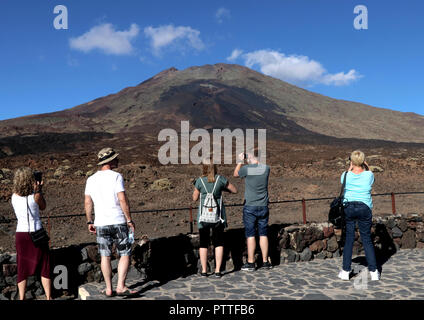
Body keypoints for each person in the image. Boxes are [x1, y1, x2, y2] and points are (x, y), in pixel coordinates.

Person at [85, 148, 137, 297]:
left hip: (100, 222)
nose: (118, 160)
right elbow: (122, 199)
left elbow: (88, 202)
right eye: (115, 158)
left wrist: (90, 220)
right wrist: (129, 219)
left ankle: (108, 288)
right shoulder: (116, 176)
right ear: (110, 161)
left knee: (105, 256)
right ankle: (120, 286)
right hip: (118, 221)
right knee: (125, 253)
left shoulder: (91, 179)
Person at [338, 150, 379, 281]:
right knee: (366, 238)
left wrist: (350, 168)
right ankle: (374, 272)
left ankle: (345, 271)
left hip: (349, 207)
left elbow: (344, 182)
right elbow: (371, 177)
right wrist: (365, 166)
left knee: (349, 238)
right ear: (363, 161)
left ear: (351, 161)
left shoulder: (345, 175)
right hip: (364, 207)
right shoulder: (369, 175)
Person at [11, 167, 52, 300]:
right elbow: (43, 206)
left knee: (22, 267)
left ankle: (22, 297)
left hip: (21, 234)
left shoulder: (13, 196)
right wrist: (39, 190)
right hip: (37, 232)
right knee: (44, 264)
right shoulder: (36, 196)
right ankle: (48, 296)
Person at [192, 159, 237, 278]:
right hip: (218, 217)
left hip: (204, 217)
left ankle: (204, 270)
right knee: (219, 242)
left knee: (203, 243)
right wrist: (222, 189)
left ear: (204, 168)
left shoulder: (199, 181)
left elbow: (194, 198)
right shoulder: (220, 179)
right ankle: (217, 270)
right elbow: (234, 190)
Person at [234, 150, 272, 271]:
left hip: (250, 206)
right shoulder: (266, 168)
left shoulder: (247, 169)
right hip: (263, 206)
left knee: (250, 235)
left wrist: (240, 161)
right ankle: (265, 261)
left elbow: (236, 174)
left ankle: (251, 262)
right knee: (263, 234)